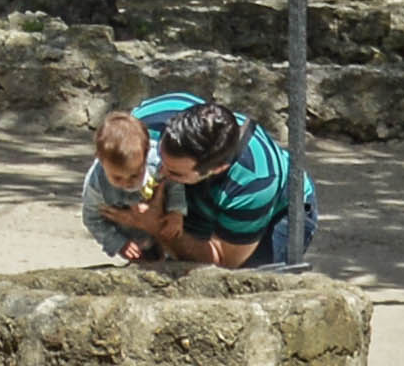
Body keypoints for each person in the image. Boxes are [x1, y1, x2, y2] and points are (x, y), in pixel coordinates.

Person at [86, 88, 313, 268]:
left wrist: (155, 226)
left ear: (216, 169)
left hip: (279, 213)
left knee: (235, 292)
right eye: (159, 159)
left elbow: (222, 261)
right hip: (195, 196)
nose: (161, 173)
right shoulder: (146, 124)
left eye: (174, 172)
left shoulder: (255, 182)